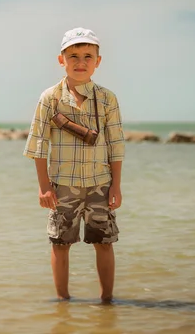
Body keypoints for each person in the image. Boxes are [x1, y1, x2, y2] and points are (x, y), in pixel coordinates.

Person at [23, 27, 125, 302]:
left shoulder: (107, 99)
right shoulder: (50, 98)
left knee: (104, 243)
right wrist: (44, 187)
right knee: (60, 244)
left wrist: (116, 185)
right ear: (62, 60)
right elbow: (38, 144)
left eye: (88, 56)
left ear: (98, 61)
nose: (81, 62)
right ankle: (63, 304)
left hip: (100, 184)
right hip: (63, 185)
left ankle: (107, 303)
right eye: (74, 56)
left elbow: (116, 145)